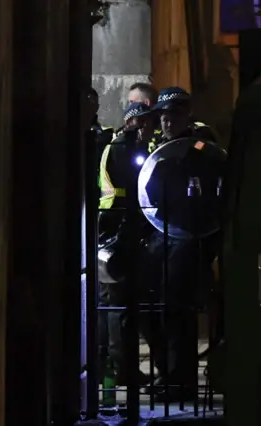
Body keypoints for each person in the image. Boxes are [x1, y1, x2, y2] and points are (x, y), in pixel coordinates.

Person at [140, 86, 221, 403]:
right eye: (162, 114)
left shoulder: (201, 149)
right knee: (150, 309)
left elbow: (213, 192)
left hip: (189, 236)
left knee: (177, 310)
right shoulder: (157, 147)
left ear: (187, 114)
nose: (166, 120)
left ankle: (180, 379)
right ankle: (168, 372)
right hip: (159, 234)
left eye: (173, 113)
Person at [97, 102, 156, 385]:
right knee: (118, 303)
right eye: (142, 122)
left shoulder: (130, 147)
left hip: (121, 227)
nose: (148, 127)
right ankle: (123, 369)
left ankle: (121, 367)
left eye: (150, 122)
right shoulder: (123, 148)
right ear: (130, 123)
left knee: (123, 302)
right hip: (116, 227)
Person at [88, 87, 114, 170]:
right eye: (86, 102)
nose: (88, 106)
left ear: (97, 107)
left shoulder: (106, 134)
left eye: (91, 102)